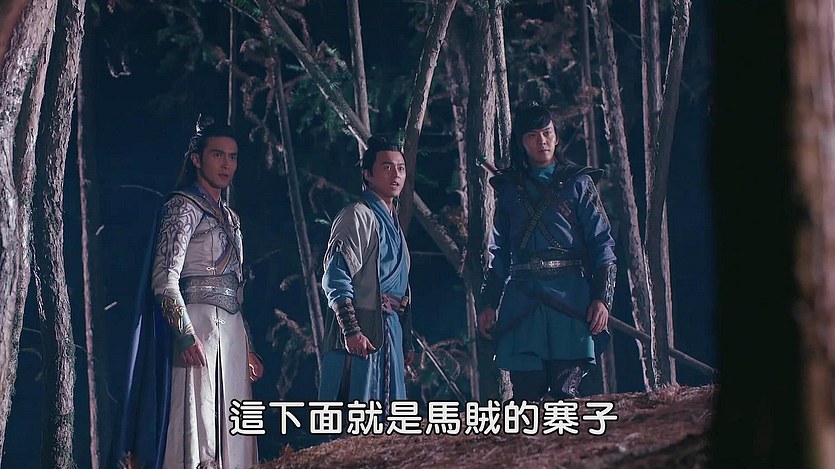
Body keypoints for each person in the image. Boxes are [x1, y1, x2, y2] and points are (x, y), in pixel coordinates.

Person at [113, 117, 263, 468]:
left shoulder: (232, 218)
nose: (226, 164)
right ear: (197, 159)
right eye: (217, 155)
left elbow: (237, 290)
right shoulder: (181, 206)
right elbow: (164, 279)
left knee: (236, 424)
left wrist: (248, 347)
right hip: (197, 327)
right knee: (199, 424)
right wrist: (184, 333)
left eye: (232, 157)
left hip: (232, 331)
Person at [477, 103, 617, 402]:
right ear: (521, 142)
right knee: (526, 396)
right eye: (533, 135)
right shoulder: (510, 189)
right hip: (523, 299)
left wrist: (602, 298)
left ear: (556, 136)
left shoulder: (579, 183)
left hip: (570, 297)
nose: (542, 141)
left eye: (547, 133)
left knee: (564, 394)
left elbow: (602, 244)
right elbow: (499, 253)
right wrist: (489, 302)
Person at [318, 135, 414, 412]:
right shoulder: (356, 216)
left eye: (400, 168)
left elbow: (402, 290)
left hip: (390, 330)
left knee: (390, 417)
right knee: (355, 412)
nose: (396, 174)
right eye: (387, 167)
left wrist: (406, 339)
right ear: (368, 174)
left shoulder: (394, 225)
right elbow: (335, 276)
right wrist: (351, 330)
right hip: (362, 328)